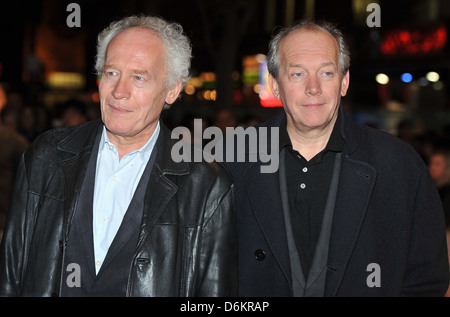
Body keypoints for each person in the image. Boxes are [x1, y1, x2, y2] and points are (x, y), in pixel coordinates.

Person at [0, 15, 237, 297]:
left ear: (172, 90)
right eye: (111, 73)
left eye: (138, 77)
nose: (119, 92)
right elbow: (10, 277)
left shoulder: (206, 185)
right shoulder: (46, 156)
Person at [223, 19, 449, 296]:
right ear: (275, 85)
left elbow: (426, 280)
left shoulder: (398, 165)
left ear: (344, 82)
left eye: (327, 73)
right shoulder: (229, 159)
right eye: (297, 74)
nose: (313, 87)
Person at [429, 147, 450, 228]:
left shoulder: (447, 194)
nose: (432, 168)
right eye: (431, 163)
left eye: (437, 164)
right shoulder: (430, 190)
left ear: (448, 167)